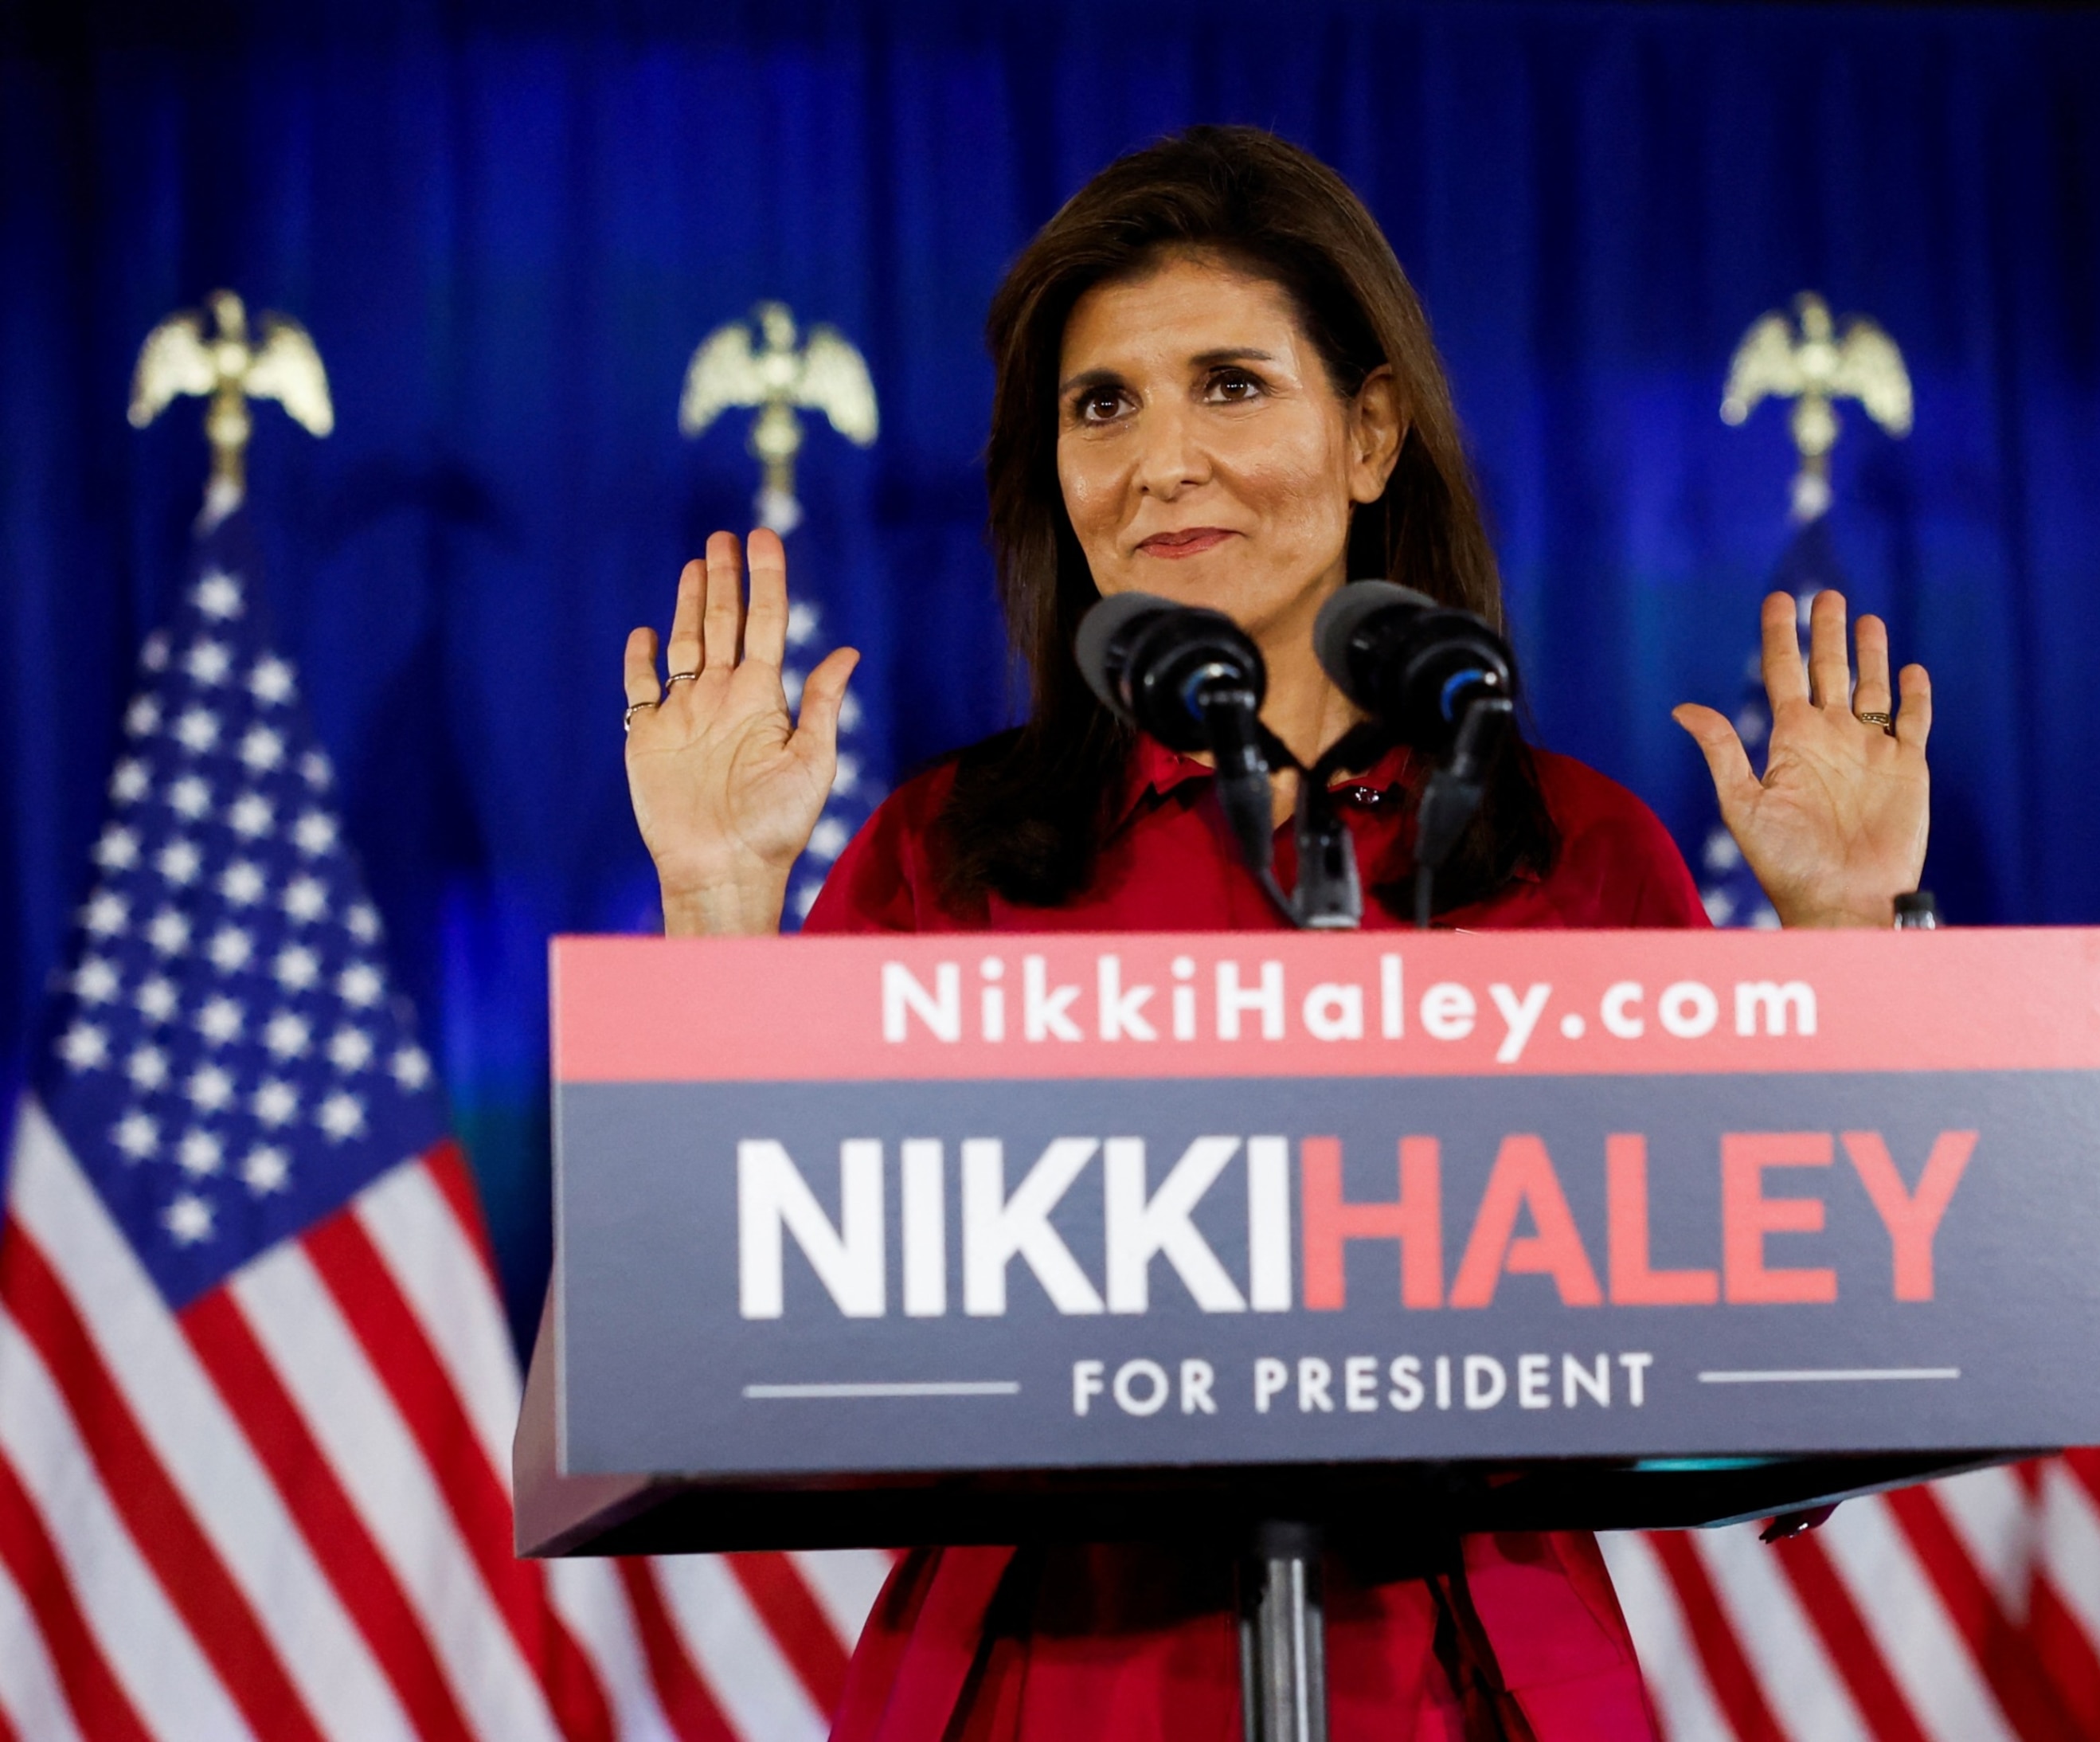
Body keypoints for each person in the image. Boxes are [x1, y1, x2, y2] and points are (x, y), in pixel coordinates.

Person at [621, 127, 1930, 1742]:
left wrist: (1846, 930)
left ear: (1373, 430)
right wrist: (719, 896)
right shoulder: (948, 859)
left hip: (1464, 1681)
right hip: (1045, 1679)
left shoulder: (1566, 853)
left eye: (1230, 382)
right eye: (1102, 404)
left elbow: (1801, 1368)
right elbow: (728, 1328)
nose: (1160, 458)